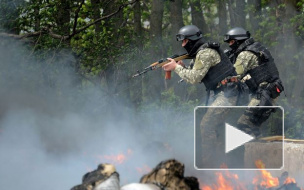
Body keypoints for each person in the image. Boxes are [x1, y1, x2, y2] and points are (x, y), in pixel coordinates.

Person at [162, 25, 239, 168]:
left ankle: (209, 167)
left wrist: (176, 68)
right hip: (219, 94)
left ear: (191, 40)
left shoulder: (205, 53)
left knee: (207, 125)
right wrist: (182, 67)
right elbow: (193, 74)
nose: (182, 44)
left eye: (184, 41)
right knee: (212, 127)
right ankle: (221, 163)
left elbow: (195, 78)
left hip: (227, 94)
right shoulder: (200, 53)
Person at [223, 27, 284, 137]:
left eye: (232, 42)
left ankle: (254, 150)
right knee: (252, 126)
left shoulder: (245, 54)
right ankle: (256, 149)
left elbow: (234, 74)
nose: (230, 45)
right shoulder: (257, 48)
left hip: (264, 94)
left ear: (239, 41)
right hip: (270, 92)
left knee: (244, 124)